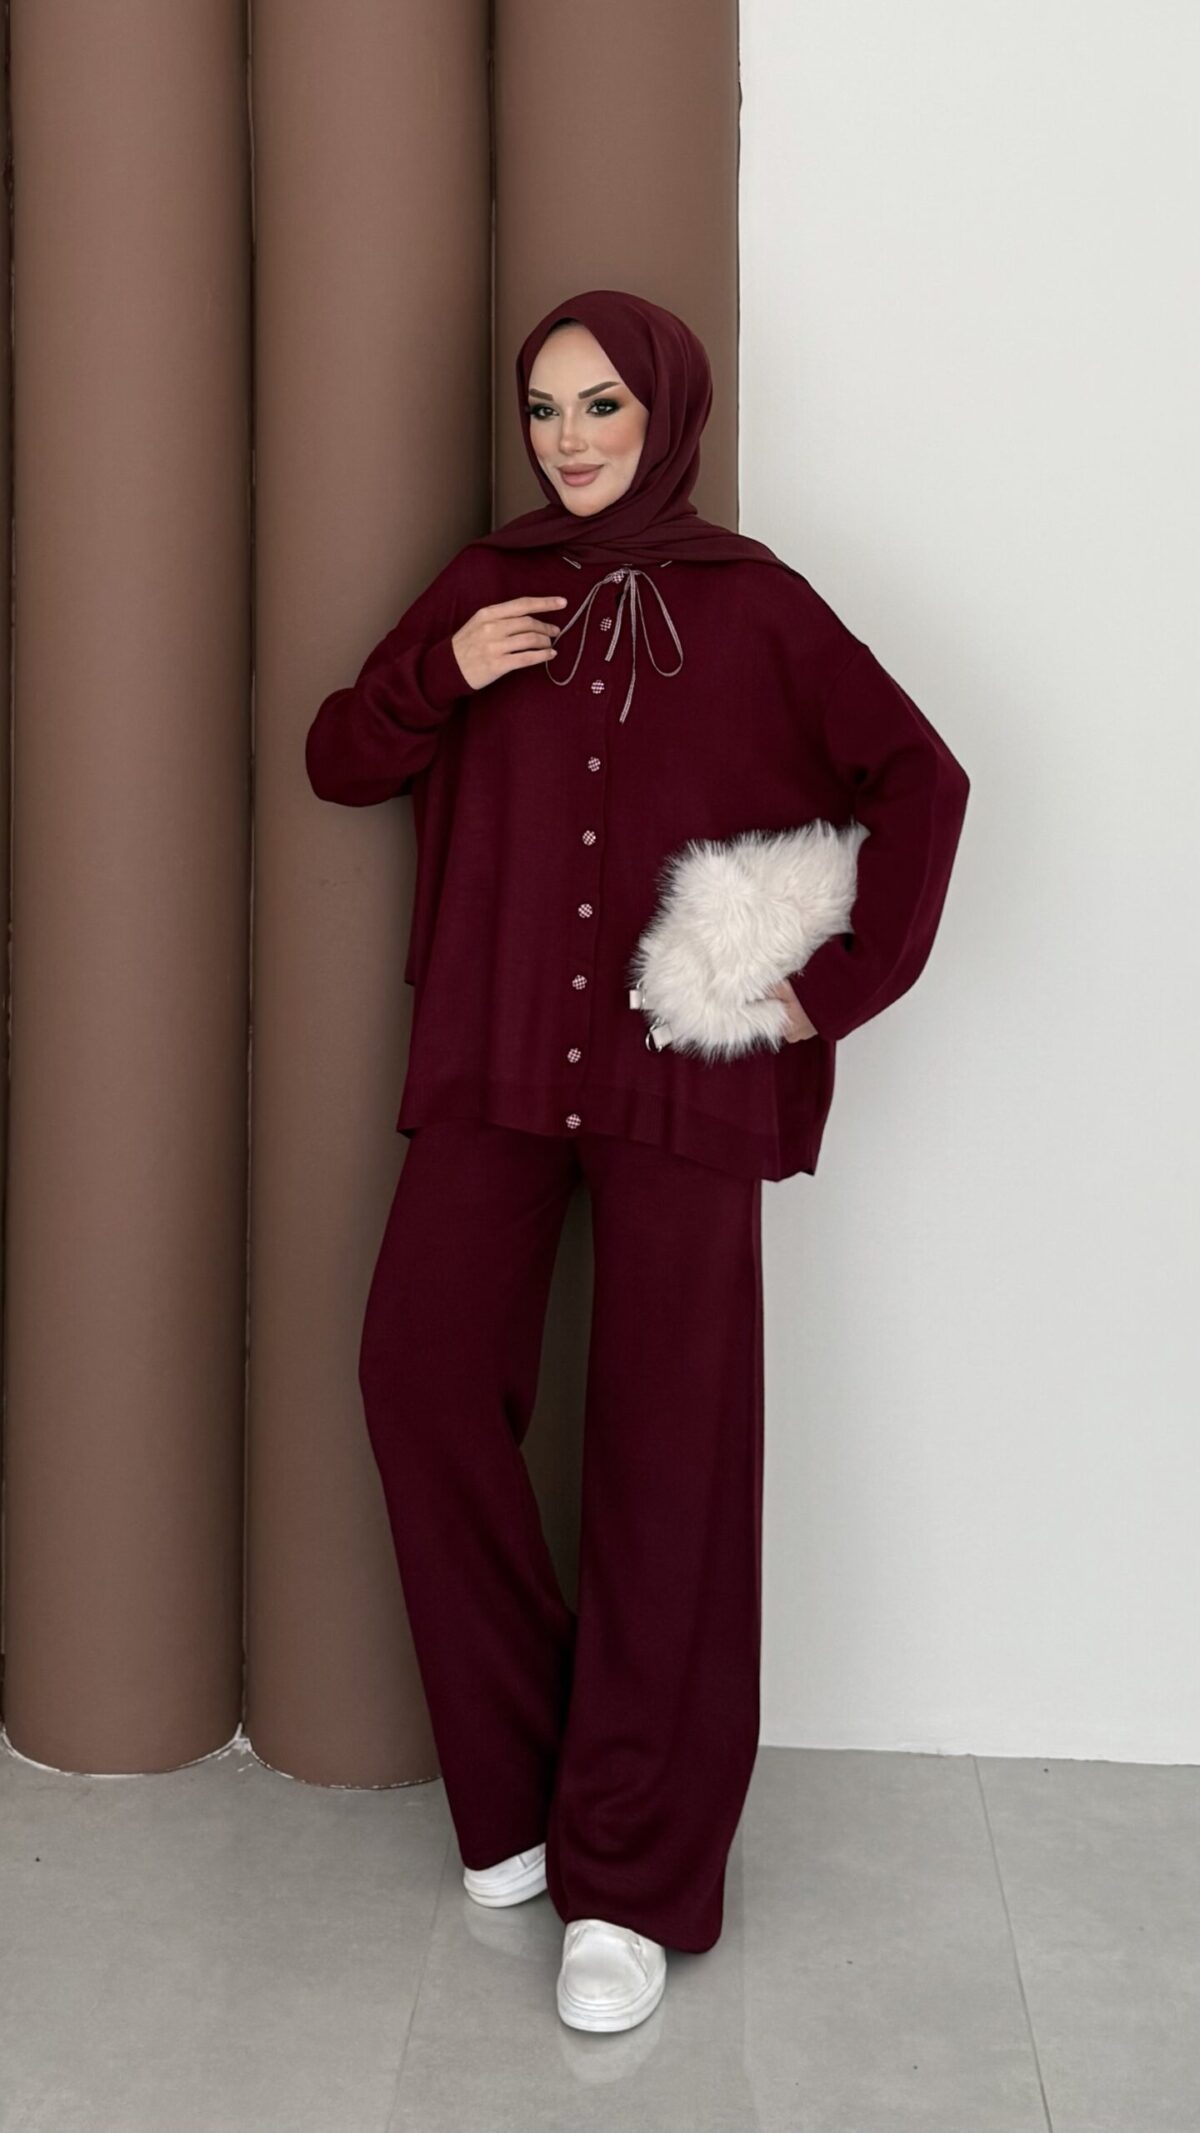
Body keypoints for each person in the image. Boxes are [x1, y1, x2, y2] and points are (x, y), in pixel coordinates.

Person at [305, 288, 970, 2033]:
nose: (572, 438)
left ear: (667, 409)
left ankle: (634, 1877)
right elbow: (338, 758)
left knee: (671, 1454)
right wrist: (440, 673)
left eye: (602, 404)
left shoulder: (756, 605)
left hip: (685, 1071)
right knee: (416, 1374)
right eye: (545, 408)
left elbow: (924, 777)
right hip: (500, 1058)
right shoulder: (486, 585)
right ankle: (528, 1780)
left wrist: (826, 988)